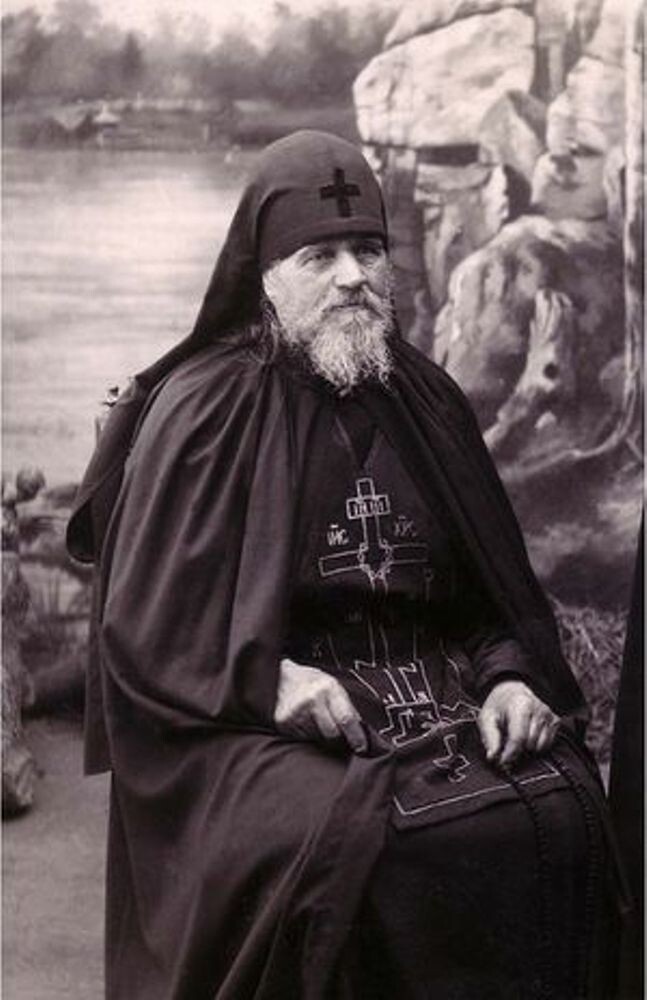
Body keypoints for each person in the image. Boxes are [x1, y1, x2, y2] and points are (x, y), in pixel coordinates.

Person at [67, 131, 623, 1000]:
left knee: (562, 802)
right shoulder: (201, 411)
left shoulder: (426, 401)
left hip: (433, 688)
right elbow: (145, 630)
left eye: (367, 251)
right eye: (319, 257)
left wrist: (511, 677)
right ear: (264, 275)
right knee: (354, 845)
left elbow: (488, 602)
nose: (351, 277)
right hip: (248, 723)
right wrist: (264, 680)